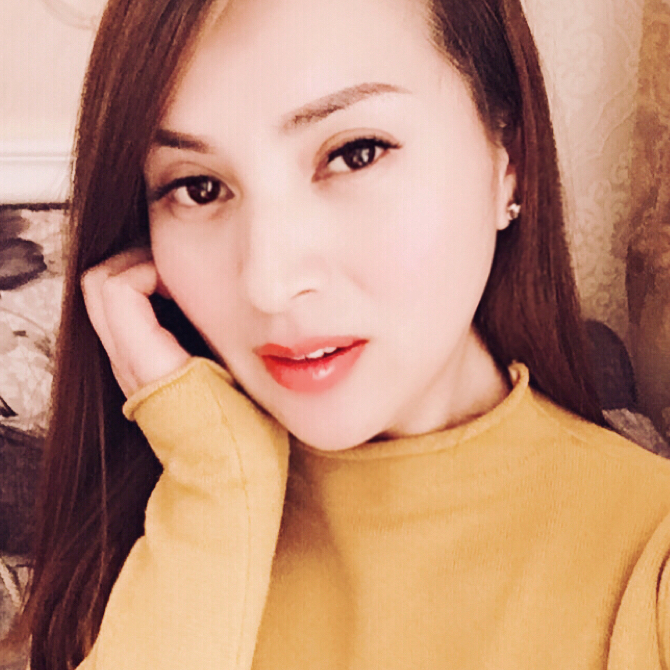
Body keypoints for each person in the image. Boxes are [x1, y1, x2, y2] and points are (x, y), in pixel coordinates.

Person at [8, 0, 670, 667]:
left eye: (356, 154)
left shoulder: (649, 562)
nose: (269, 283)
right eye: (199, 188)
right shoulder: (130, 539)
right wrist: (216, 485)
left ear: (510, 160)